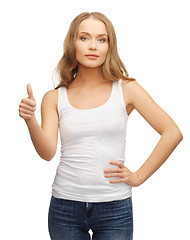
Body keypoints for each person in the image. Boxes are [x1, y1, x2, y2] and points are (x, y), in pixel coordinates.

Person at [18, 12, 183, 240]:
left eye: (101, 39)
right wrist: (30, 120)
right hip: (65, 206)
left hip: (115, 207)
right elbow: (47, 153)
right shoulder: (54, 97)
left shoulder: (126, 89)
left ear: (109, 45)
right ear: (72, 44)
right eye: (84, 38)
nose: (93, 46)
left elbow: (172, 132)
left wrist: (138, 176)